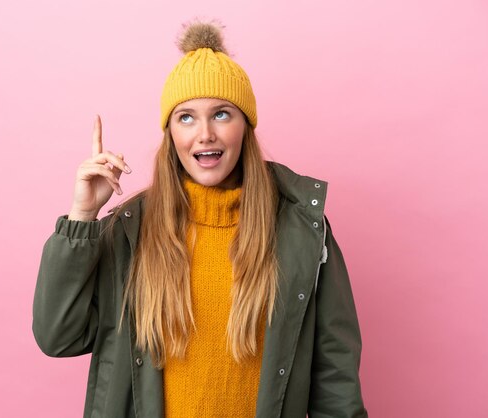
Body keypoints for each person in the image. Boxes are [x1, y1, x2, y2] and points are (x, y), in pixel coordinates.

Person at [33, 21, 368, 418]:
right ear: (170, 133)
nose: (205, 133)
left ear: (245, 125)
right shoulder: (130, 230)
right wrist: (83, 217)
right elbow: (58, 337)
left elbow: (335, 379)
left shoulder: (302, 229)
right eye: (186, 117)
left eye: (222, 114)